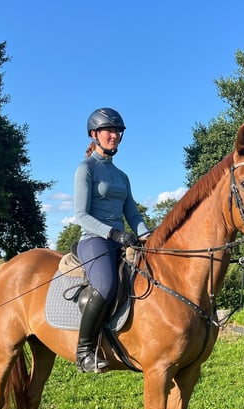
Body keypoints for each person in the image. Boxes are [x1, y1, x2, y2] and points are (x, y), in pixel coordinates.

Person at [73, 107, 150, 373]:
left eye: (118, 131)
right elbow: (80, 215)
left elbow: (133, 213)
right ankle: (84, 352)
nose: (114, 135)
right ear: (95, 134)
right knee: (106, 285)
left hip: (122, 241)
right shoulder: (86, 169)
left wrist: (148, 237)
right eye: (109, 131)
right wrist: (113, 233)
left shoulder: (122, 177)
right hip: (95, 240)